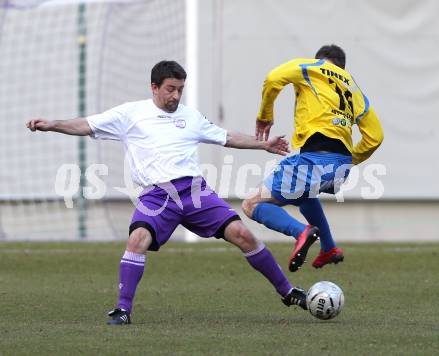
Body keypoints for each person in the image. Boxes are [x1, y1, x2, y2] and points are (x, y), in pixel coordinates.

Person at [27, 60, 308, 325]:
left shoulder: (190, 116)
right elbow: (86, 124)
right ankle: (123, 309)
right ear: (154, 87)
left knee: (243, 235)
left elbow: (226, 137)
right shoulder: (130, 114)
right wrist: (53, 125)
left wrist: (264, 145)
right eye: (170, 89)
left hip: (194, 190)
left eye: (180, 89)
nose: (176, 96)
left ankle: (287, 292)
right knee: (137, 239)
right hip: (157, 196)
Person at [242, 45, 384, 272]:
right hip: (340, 167)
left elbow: (273, 78)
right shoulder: (353, 87)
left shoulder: (311, 67)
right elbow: (375, 136)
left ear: (321, 60)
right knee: (303, 194)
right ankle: (328, 248)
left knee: (251, 204)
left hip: (315, 158)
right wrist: (349, 161)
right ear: (342, 67)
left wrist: (265, 116)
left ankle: (301, 232)